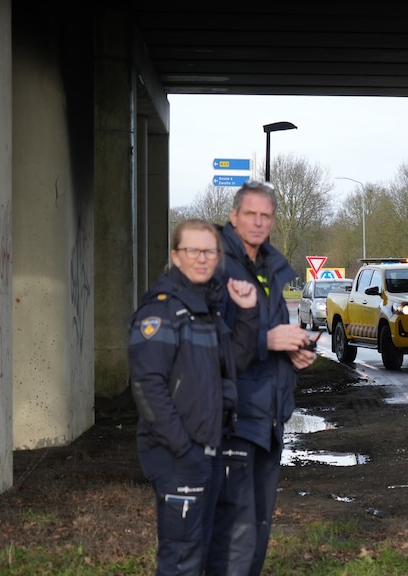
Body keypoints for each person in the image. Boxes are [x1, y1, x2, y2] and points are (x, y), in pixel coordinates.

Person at [128, 219, 259, 576]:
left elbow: (235, 361)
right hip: (178, 454)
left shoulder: (205, 309)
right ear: (175, 256)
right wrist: (183, 449)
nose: (202, 258)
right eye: (193, 250)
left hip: (208, 448)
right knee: (181, 557)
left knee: (200, 550)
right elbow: (147, 387)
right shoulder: (161, 311)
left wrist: (247, 312)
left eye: (210, 251)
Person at [208, 180, 317, 576]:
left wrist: (293, 352)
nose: (258, 222)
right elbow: (203, 342)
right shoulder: (215, 265)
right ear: (234, 216)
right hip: (231, 418)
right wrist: (266, 340)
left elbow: (269, 336)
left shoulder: (269, 267)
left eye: (265, 216)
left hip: (269, 419)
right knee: (233, 536)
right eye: (250, 214)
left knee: (256, 532)